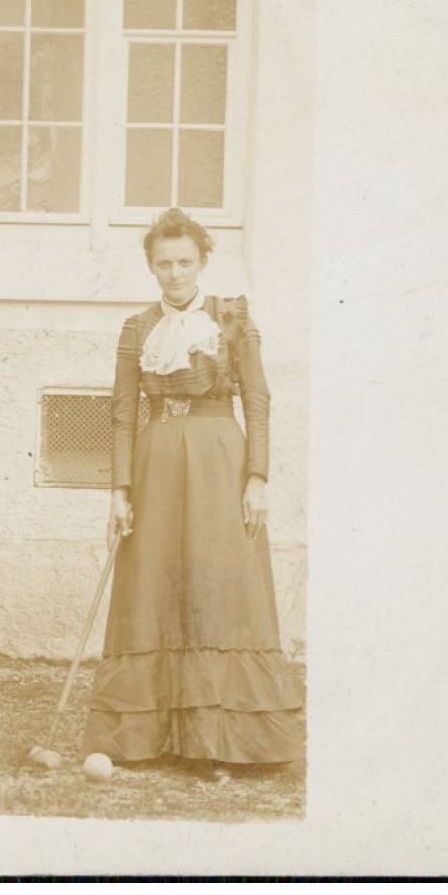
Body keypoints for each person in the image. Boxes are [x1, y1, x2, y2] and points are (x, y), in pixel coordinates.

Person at [82, 208, 305, 768]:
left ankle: (217, 740)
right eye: (164, 264)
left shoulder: (232, 320)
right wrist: (119, 488)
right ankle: (144, 738)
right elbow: (121, 412)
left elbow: (257, 400)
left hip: (218, 460)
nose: (175, 274)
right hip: (155, 461)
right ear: (151, 267)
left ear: (203, 261)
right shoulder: (136, 329)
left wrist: (257, 478)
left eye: (185, 262)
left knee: (217, 579)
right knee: (153, 580)